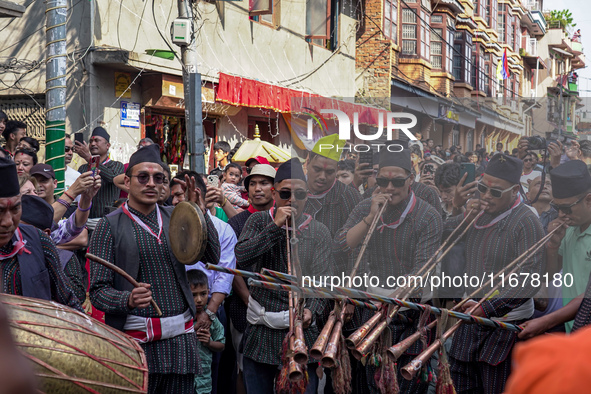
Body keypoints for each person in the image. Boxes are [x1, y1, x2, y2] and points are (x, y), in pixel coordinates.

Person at [88, 144, 220, 394]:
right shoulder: (109, 226)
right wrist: (127, 299)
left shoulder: (177, 216)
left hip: (181, 342)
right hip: (137, 345)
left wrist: (199, 213)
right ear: (127, 182)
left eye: (158, 178)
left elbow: (212, 255)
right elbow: (97, 291)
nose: (151, 183)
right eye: (142, 177)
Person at [335, 142, 443, 394]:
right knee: (372, 383)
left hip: (408, 312)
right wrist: (370, 218)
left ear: (411, 179)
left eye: (397, 182)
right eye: (383, 181)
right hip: (369, 307)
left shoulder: (428, 216)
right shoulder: (365, 206)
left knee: (405, 384)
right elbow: (341, 246)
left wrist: (390, 301)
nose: (389, 188)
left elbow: (422, 270)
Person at [447, 153, 545, 394]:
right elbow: (444, 241)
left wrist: (485, 308)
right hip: (470, 318)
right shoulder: (476, 212)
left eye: (496, 192)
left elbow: (529, 278)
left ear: (515, 191)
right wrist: (458, 209)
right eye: (483, 188)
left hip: (506, 325)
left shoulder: (526, 221)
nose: (487, 196)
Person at [235, 158, 333, 394]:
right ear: (274, 193)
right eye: (286, 193)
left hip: (301, 330)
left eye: (299, 194)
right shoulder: (258, 220)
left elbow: (323, 280)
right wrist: (275, 226)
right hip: (262, 330)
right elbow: (242, 257)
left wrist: (313, 309)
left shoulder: (318, 230)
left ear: (307, 196)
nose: (293, 200)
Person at [518, 160, 591, 337]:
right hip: (572, 328)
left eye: (566, 208)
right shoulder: (570, 229)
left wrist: (546, 321)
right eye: (557, 207)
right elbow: (550, 275)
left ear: (589, 200)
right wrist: (553, 245)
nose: (561, 215)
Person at [0, 156, 81, 309]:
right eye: (0, 210)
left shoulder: (38, 240)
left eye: (16, 209)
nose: (8, 222)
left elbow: (68, 301)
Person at [226, 163, 275, 392]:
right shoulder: (236, 223)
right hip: (244, 309)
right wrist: (249, 302)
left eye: (264, 183)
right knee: (245, 368)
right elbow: (232, 266)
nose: (258, 189)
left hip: (282, 308)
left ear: (275, 189)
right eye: (252, 184)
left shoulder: (286, 219)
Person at [19, 195, 86, 302]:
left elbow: (78, 296)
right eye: (18, 229)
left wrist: (51, 269)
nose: (20, 234)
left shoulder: (65, 258)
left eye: (26, 230)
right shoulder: (9, 255)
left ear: (45, 234)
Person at [76, 127, 125, 223]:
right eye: (91, 141)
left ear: (107, 145)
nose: (93, 144)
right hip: (85, 219)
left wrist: (90, 159)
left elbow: (112, 177)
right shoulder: (83, 168)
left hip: (108, 220)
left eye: (97, 141)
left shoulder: (117, 165)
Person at [188, 269, 225, 394]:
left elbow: (221, 344)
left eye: (203, 294)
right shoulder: (182, 317)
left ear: (208, 292)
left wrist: (209, 343)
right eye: (193, 295)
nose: (199, 300)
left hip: (204, 380)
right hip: (184, 377)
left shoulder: (212, 320)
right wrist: (193, 328)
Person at [64, 134, 81, 198]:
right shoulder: (44, 173)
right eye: (66, 149)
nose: (71, 153)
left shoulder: (76, 176)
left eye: (72, 149)